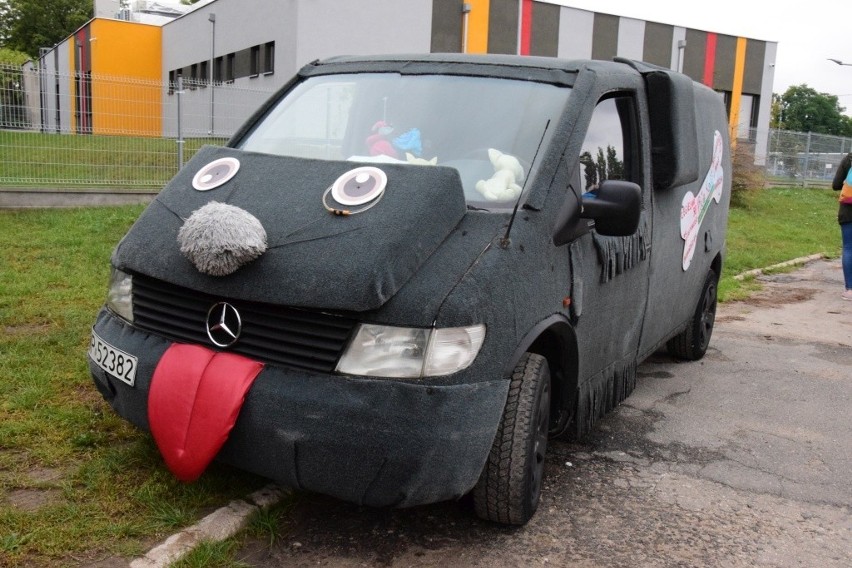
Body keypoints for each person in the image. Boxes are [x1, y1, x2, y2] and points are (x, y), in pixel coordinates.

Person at [831, 151, 852, 300]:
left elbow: (836, 185)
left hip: (848, 211)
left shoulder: (849, 159)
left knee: (849, 248)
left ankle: (850, 289)